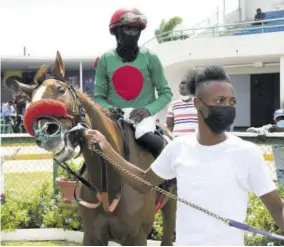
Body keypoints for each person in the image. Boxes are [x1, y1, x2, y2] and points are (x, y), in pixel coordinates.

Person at [84, 65, 284, 245]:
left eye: (232, 102)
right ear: (198, 103)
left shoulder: (247, 153)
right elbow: (143, 181)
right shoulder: (178, 148)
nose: (227, 107)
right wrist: (108, 149)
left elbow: (277, 209)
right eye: (220, 100)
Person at [94, 8, 173, 157]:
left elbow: (165, 93)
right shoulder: (104, 60)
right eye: (128, 28)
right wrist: (111, 110)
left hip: (144, 116)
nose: (132, 33)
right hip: (116, 116)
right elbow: (98, 98)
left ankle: (169, 170)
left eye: (136, 29)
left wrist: (147, 110)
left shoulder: (151, 58)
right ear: (117, 31)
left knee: (143, 135)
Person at [247, 109, 284, 187]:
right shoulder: (271, 129)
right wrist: (262, 132)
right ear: (275, 120)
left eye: (283, 118)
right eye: (279, 119)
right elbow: (252, 130)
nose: (281, 121)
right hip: (280, 169)